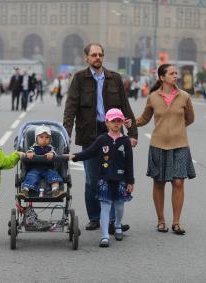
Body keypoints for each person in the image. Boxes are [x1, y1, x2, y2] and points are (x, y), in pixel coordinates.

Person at [63, 42, 138, 232]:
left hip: (113, 133)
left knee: (114, 177)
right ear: (86, 58)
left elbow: (125, 106)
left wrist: (133, 133)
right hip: (89, 132)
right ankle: (95, 217)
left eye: (100, 55)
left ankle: (113, 221)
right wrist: (66, 135)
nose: (97, 58)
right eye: (94, 55)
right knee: (92, 178)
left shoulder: (114, 78)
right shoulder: (79, 79)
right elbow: (70, 108)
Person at [133, 64, 195, 235]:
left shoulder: (184, 96)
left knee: (178, 182)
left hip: (180, 145)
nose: (176, 76)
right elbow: (145, 118)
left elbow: (190, 118)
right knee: (159, 183)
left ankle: (176, 222)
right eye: (172, 73)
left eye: (176, 73)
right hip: (158, 145)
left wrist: (176, 129)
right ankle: (161, 220)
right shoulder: (153, 97)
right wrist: (131, 122)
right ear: (162, 77)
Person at [69, 108, 134, 248]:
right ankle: (105, 236)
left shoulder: (125, 141)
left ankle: (117, 225)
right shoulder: (102, 139)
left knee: (119, 206)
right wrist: (75, 156)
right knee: (105, 206)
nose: (116, 124)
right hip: (105, 179)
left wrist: (130, 181)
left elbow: (129, 162)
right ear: (107, 123)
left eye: (119, 121)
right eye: (113, 121)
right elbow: (89, 152)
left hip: (121, 179)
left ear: (122, 122)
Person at [19, 125, 66, 199]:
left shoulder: (50, 148)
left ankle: (55, 191)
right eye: (41, 137)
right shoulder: (33, 147)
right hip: (35, 168)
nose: (44, 139)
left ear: (50, 139)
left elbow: (54, 153)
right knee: (31, 176)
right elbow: (29, 152)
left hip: (48, 168)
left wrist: (52, 154)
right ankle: (25, 190)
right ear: (36, 139)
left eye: (47, 137)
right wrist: (30, 154)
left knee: (54, 175)